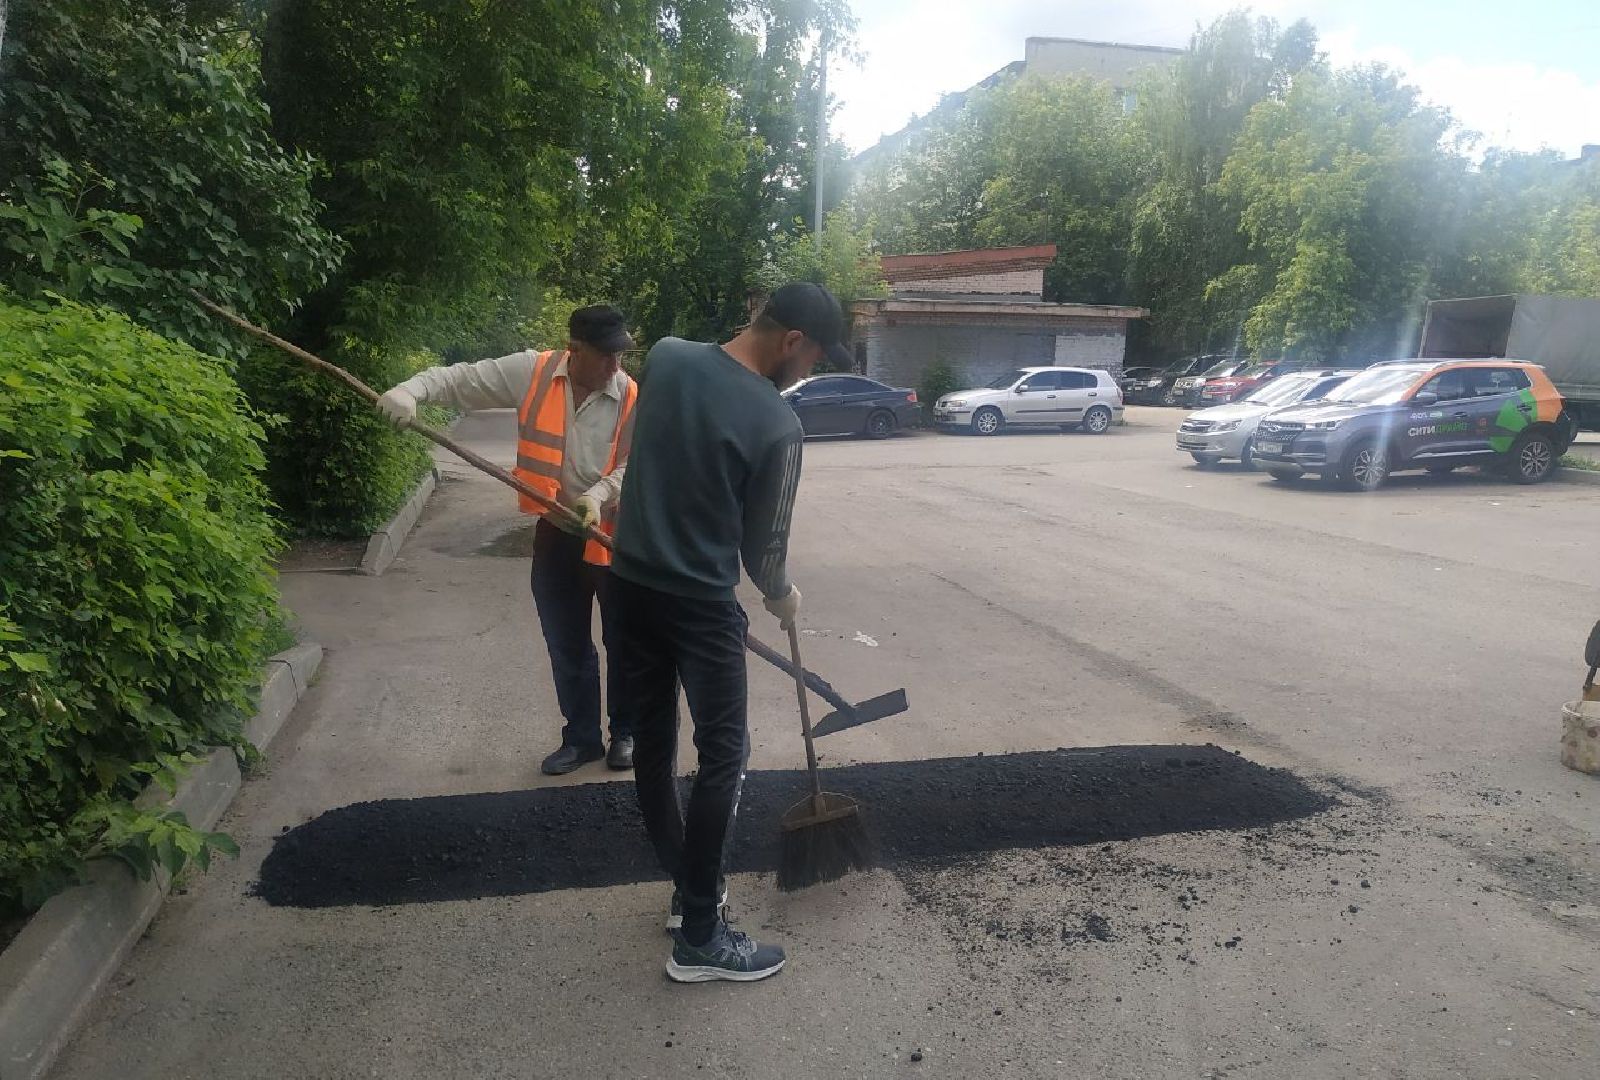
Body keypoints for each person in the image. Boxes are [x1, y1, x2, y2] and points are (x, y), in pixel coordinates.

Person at [610, 282, 851, 983]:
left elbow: (651, 462)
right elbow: (762, 552)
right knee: (724, 755)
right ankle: (701, 939)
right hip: (700, 606)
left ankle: (689, 893)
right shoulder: (778, 426)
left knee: (654, 746)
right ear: (792, 342)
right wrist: (783, 595)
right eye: (811, 361)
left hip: (628, 589)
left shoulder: (669, 357)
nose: (806, 374)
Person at [375, 306, 639, 776]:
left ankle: (626, 734)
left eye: (621, 355)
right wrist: (409, 391)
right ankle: (582, 739)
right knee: (566, 641)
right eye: (606, 357)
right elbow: (459, 380)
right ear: (575, 350)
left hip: (612, 534)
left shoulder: (629, 394)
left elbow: (632, 464)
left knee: (624, 640)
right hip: (557, 534)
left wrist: (598, 496)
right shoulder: (532, 371)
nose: (615, 368)